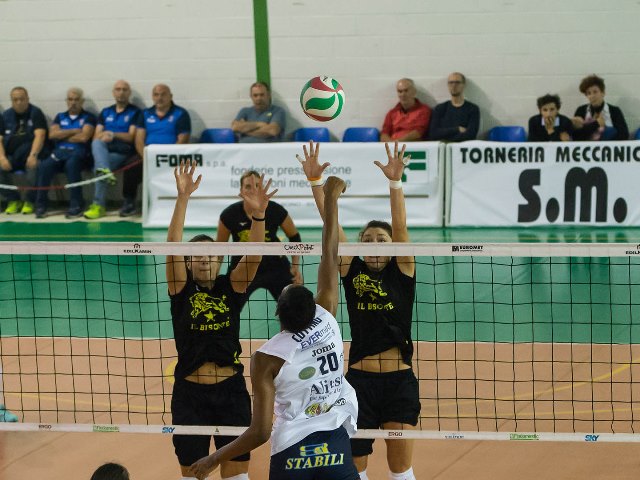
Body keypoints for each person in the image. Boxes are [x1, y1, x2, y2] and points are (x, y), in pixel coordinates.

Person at [191, 175, 359, 480]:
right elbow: (330, 251)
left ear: (277, 313)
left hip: (291, 448)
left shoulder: (266, 358)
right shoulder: (327, 317)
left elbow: (259, 432)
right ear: (313, 307)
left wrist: (213, 458)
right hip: (334, 441)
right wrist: (331, 199)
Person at [300, 141, 419, 480]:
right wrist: (316, 184)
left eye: (382, 239)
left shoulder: (403, 270)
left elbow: (400, 226)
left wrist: (395, 182)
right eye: (367, 239)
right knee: (354, 469)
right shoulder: (352, 270)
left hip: (398, 383)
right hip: (358, 384)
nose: (374, 244)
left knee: (400, 469)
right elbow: (331, 224)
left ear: (392, 246)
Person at [166, 160, 275, 479]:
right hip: (189, 395)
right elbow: (171, 248)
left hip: (230, 393)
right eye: (197, 256)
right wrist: (183, 198)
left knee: (237, 475)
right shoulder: (181, 289)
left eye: (211, 255)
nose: (204, 260)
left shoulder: (232, 286)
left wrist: (258, 215)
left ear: (220, 260)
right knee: (192, 473)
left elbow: (255, 256)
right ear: (188, 262)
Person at [217, 170, 303, 311]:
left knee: (295, 305)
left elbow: (294, 237)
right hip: (243, 266)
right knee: (228, 308)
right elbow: (219, 249)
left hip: (275, 266)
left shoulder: (275, 210)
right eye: (248, 186)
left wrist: (295, 266)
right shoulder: (229, 215)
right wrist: (214, 272)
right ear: (241, 190)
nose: (253, 190)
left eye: (257, 185)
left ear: (262, 188)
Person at [120, 83, 191, 217]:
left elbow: (183, 139)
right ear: (152, 97)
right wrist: (146, 157)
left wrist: (168, 158)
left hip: (172, 157)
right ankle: (129, 202)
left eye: (163, 94)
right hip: (148, 156)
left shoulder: (181, 113)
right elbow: (139, 139)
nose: (159, 98)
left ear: (170, 96)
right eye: (156, 95)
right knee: (130, 166)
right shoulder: (145, 114)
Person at [35, 87, 96, 219]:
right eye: (70, 99)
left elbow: (84, 137)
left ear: (82, 101)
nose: (73, 102)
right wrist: (74, 131)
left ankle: (76, 204)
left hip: (79, 153)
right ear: (66, 101)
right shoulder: (60, 116)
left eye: (76, 99)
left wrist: (62, 135)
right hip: (59, 153)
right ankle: (41, 205)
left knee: (71, 165)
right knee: (44, 166)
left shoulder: (88, 117)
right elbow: (52, 135)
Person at [84, 80, 140, 219]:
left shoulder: (135, 112)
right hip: (103, 149)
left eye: (124, 89)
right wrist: (103, 135)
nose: (121, 92)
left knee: (99, 168)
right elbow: (97, 135)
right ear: (113, 93)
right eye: (118, 89)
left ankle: (99, 205)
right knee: (96, 143)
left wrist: (112, 134)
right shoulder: (106, 112)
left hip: (122, 151)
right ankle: (105, 172)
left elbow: (131, 137)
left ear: (129, 93)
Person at [0, 86, 49, 215]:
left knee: (34, 168)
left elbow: (40, 135)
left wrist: (33, 155)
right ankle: (12, 199)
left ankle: (30, 200)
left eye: (22, 99)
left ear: (27, 99)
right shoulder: (6, 115)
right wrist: (2, 157)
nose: (19, 102)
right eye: (15, 100)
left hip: (30, 154)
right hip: (11, 155)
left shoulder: (36, 112)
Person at [572, 74, 629, 141]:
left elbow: (624, 135)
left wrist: (605, 143)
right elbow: (576, 137)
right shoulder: (581, 110)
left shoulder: (614, 111)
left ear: (603, 93)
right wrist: (596, 124)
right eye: (589, 93)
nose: (592, 96)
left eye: (595, 92)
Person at [429, 72, 480, 142]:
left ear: (463, 85)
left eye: (457, 82)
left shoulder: (472, 109)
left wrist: (445, 136)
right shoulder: (440, 108)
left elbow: (471, 135)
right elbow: (433, 134)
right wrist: (457, 129)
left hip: (463, 148)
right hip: (443, 147)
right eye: (451, 83)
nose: (454, 85)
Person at [380, 78, 431, 142]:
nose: (403, 94)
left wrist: (398, 142)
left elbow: (418, 133)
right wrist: (391, 143)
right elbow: (384, 134)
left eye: (406, 91)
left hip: (413, 145)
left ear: (414, 92)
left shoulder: (424, 111)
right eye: (400, 91)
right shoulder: (392, 113)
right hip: (393, 145)